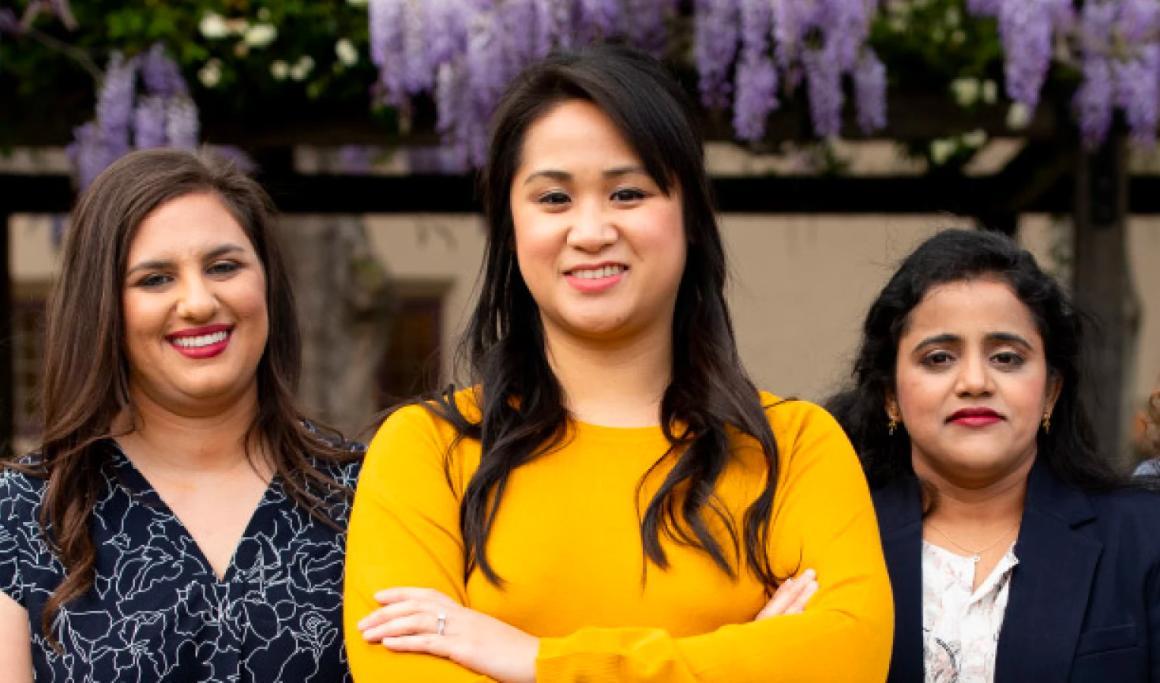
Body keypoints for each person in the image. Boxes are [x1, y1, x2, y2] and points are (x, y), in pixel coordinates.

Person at [344, 46, 892, 682]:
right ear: (510, 228)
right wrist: (738, 659)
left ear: (689, 218)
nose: (592, 230)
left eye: (627, 192)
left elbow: (848, 659)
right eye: (554, 199)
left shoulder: (794, 447)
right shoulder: (426, 451)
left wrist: (536, 660)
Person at [0, 149, 362, 681]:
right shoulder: (26, 511)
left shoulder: (370, 491)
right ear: (102, 307)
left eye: (223, 267)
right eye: (155, 279)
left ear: (266, 282)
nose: (197, 302)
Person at [827, 229, 1160, 682]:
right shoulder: (828, 543)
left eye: (1006, 358)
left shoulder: (1143, 537)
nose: (975, 382)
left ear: (1051, 392)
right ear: (890, 396)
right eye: (939, 358)